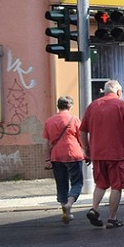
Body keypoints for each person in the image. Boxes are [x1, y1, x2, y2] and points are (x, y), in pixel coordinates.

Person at [79, 80, 124, 229]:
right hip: (116, 153)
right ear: (118, 92)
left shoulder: (92, 106)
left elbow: (82, 130)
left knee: (101, 184)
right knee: (117, 186)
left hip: (97, 153)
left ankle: (94, 209)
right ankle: (112, 218)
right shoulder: (121, 105)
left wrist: (86, 149)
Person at [42, 95, 86, 224]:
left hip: (56, 156)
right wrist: (86, 151)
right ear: (70, 106)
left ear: (58, 106)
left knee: (61, 184)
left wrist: (47, 159)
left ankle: (65, 211)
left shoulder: (49, 121)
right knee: (77, 183)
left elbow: (45, 143)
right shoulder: (74, 119)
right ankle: (69, 204)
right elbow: (81, 138)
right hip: (74, 154)